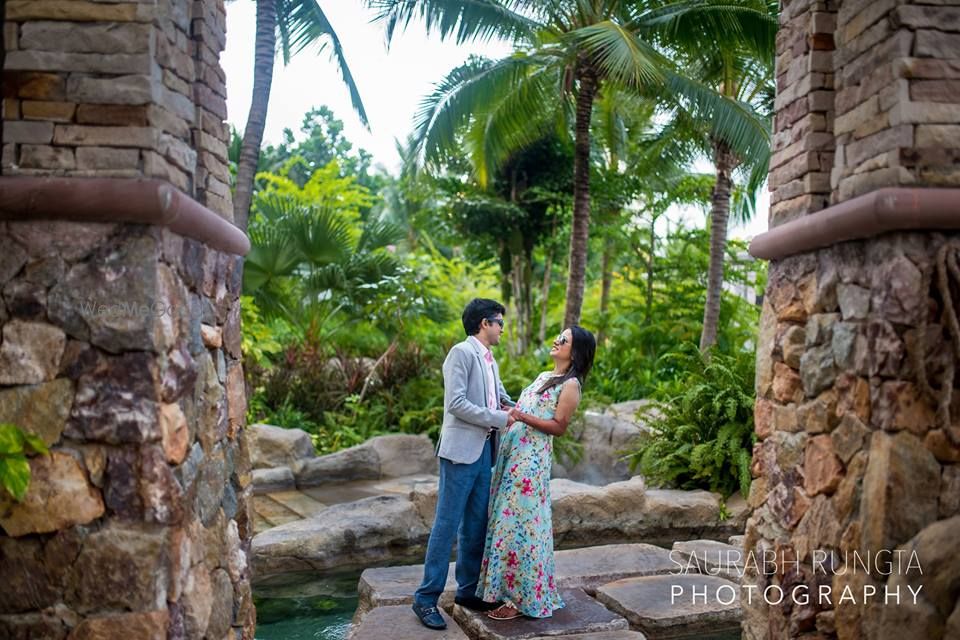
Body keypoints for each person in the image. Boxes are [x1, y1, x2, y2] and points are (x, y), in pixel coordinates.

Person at [477, 325, 597, 620]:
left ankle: (520, 600)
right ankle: (502, 593)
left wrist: (521, 416)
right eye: (558, 336)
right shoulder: (545, 376)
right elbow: (518, 407)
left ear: (576, 350)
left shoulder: (571, 385)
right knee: (506, 524)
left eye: (564, 340)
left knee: (522, 529)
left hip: (530, 465)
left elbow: (559, 427)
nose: (556, 341)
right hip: (513, 457)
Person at [412, 298, 517, 630]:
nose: (502, 327)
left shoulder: (490, 359)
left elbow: (502, 399)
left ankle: (468, 591)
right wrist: (501, 418)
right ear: (484, 323)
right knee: (447, 525)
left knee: (476, 524)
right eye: (499, 321)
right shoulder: (461, 353)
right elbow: (456, 403)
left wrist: (528, 410)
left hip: (485, 450)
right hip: (460, 452)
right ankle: (425, 599)